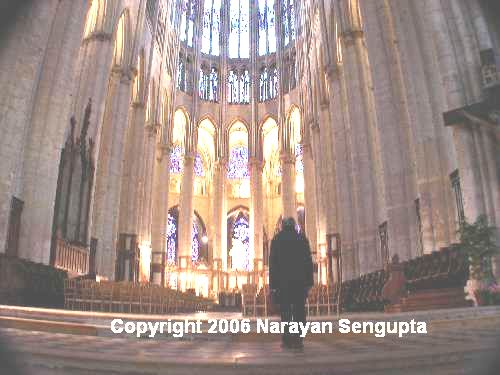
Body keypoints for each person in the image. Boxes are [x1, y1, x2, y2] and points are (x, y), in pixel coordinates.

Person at [269, 217, 313, 350]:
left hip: (283, 284)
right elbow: (308, 262)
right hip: (299, 283)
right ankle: (298, 339)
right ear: (294, 226)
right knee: (299, 311)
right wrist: (309, 282)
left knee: (286, 312)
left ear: (282, 226)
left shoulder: (276, 240)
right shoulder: (302, 239)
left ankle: (287, 340)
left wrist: (273, 286)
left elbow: (273, 264)